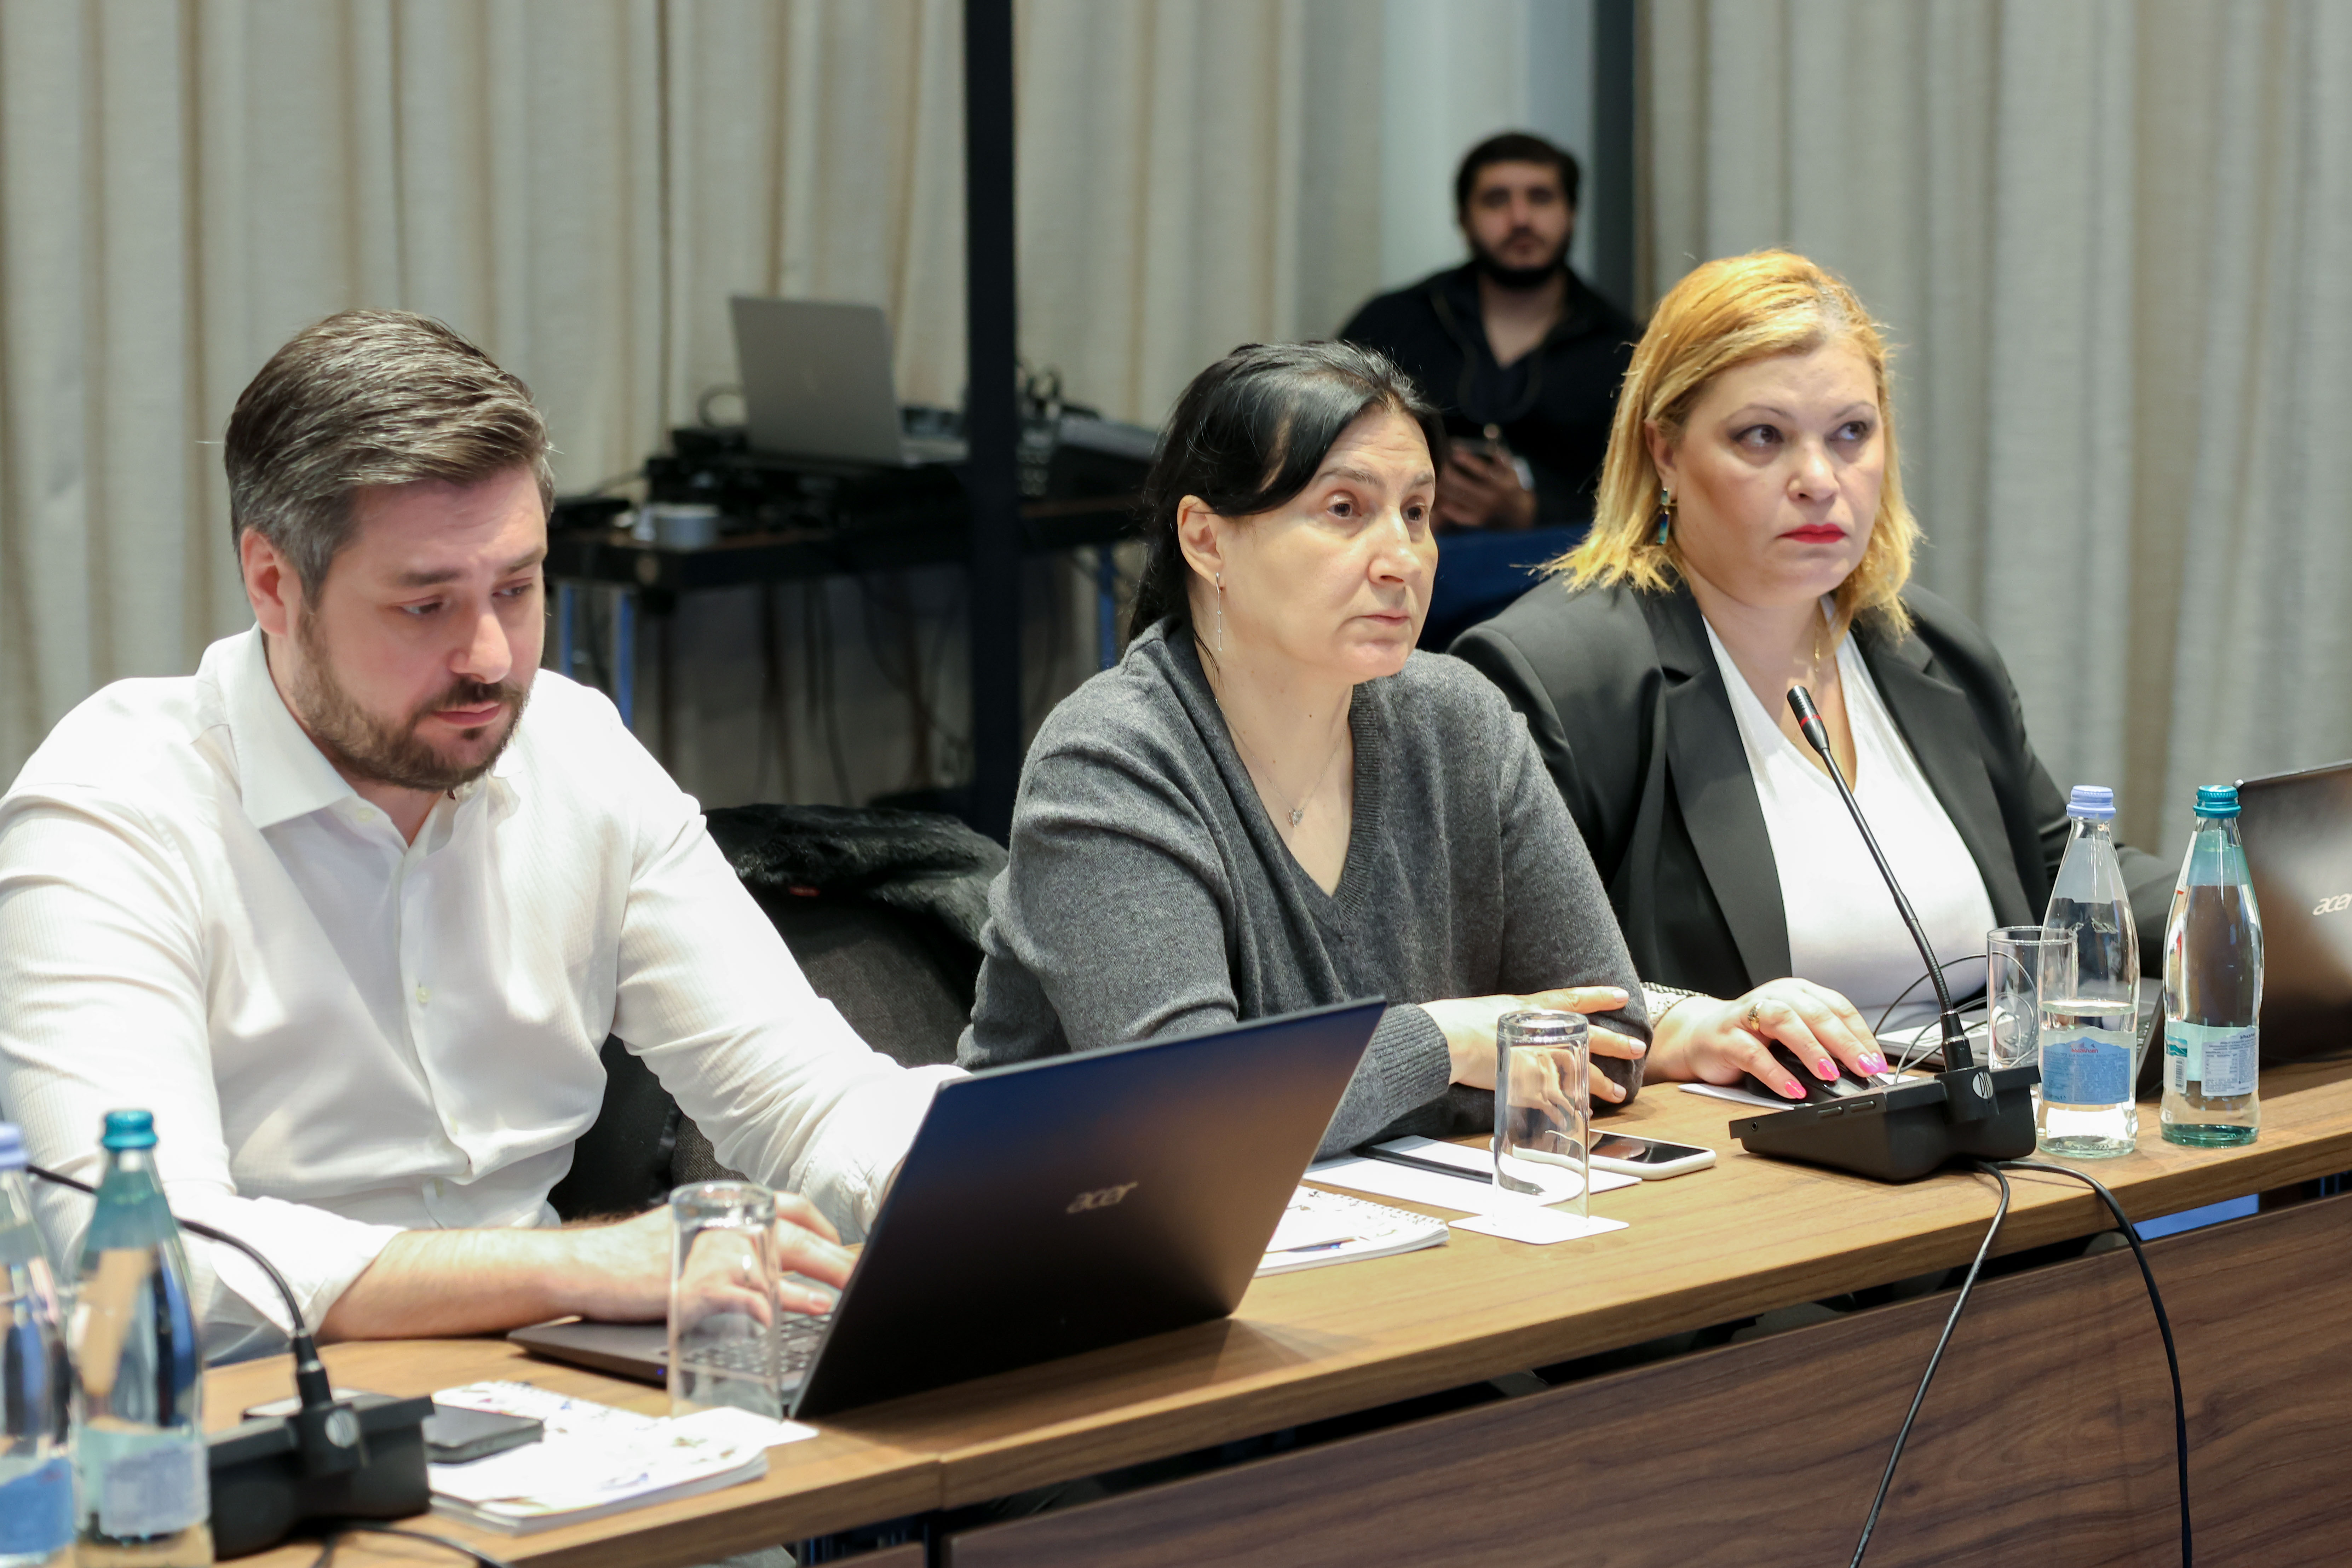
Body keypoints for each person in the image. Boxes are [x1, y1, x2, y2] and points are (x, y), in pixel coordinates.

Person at [0, 311, 954, 1362]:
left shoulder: (575, 754)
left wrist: (999, 1169)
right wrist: (577, 1267)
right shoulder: (116, 809)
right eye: (426, 606)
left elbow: (806, 1102)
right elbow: (143, 1256)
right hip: (251, 1419)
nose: (492, 658)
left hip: (553, 1392)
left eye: (516, 588)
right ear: (273, 583)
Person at [1451, 252, 2174, 1101]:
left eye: (1850, 434)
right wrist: (1686, 1023)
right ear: (1664, 451)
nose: (1819, 481)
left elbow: (2063, 885)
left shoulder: (1927, 647)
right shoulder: (1559, 677)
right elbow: (1497, 990)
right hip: (1740, 1150)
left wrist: (2247, 898)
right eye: (1761, 436)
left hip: (1987, 1125)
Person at [957, 340, 1649, 1149]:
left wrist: (1315, 1095)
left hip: (1396, 1216)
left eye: (1416, 512)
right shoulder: (1108, 762)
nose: (1401, 560)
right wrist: (1445, 1044)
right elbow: (1192, 1116)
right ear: (1206, 540)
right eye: (1343, 509)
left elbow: (1608, 1035)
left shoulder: (1459, 718)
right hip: (1067, 1223)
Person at [1339, 131, 1639, 536]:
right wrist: (1407, 504)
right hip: (1399, 550)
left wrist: (1534, 512)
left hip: (1564, 564)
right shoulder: (1391, 324)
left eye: (1540, 198)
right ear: (1463, 219)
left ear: (1571, 213)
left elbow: (1650, 498)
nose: (1520, 219)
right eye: (1496, 200)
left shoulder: (1625, 348)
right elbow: (1321, 451)